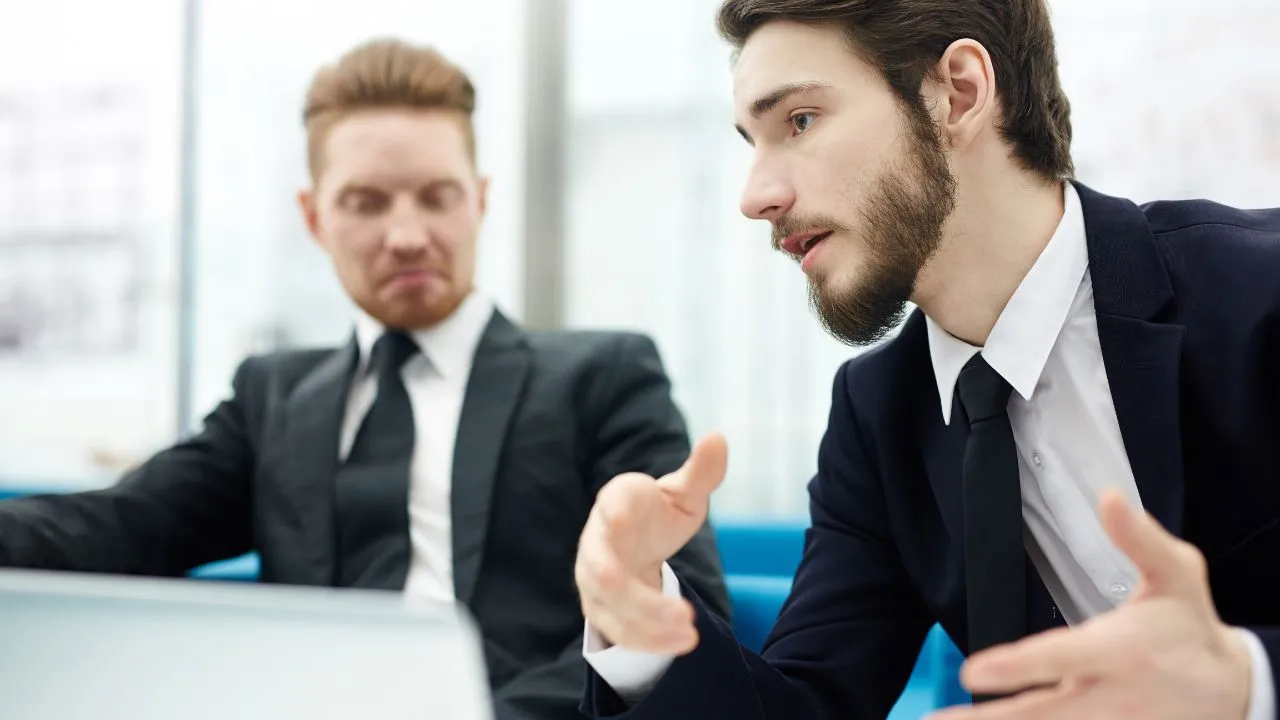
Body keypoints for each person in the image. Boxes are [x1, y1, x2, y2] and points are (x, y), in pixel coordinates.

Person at [573, 1, 1280, 718]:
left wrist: (1247, 682)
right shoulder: (879, 418)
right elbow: (803, 706)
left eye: (801, 121)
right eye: (751, 143)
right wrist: (641, 618)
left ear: (959, 92)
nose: (757, 196)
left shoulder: (1257, 296)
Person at [0, 39, 730, 720]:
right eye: (367, 202)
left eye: (437, 196)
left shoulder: (601, 379)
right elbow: (118, 526)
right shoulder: (271, 400)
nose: (407, 234)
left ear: (480, 199)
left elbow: (685, 612)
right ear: (314, 217)